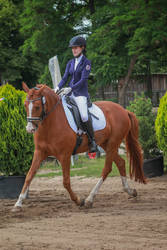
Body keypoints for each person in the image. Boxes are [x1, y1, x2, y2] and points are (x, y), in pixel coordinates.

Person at [54, 35, 97, 153]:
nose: (74, 50)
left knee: (83, 116)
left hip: (80, 94)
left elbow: (83, 80)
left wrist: (70, 88)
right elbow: (64, 78)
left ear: (82, 48)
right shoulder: (70, 63)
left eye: (76, 48)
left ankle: (92, 140)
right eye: (72, 48)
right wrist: (57, 88)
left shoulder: (86, 63)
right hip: (69, 93)